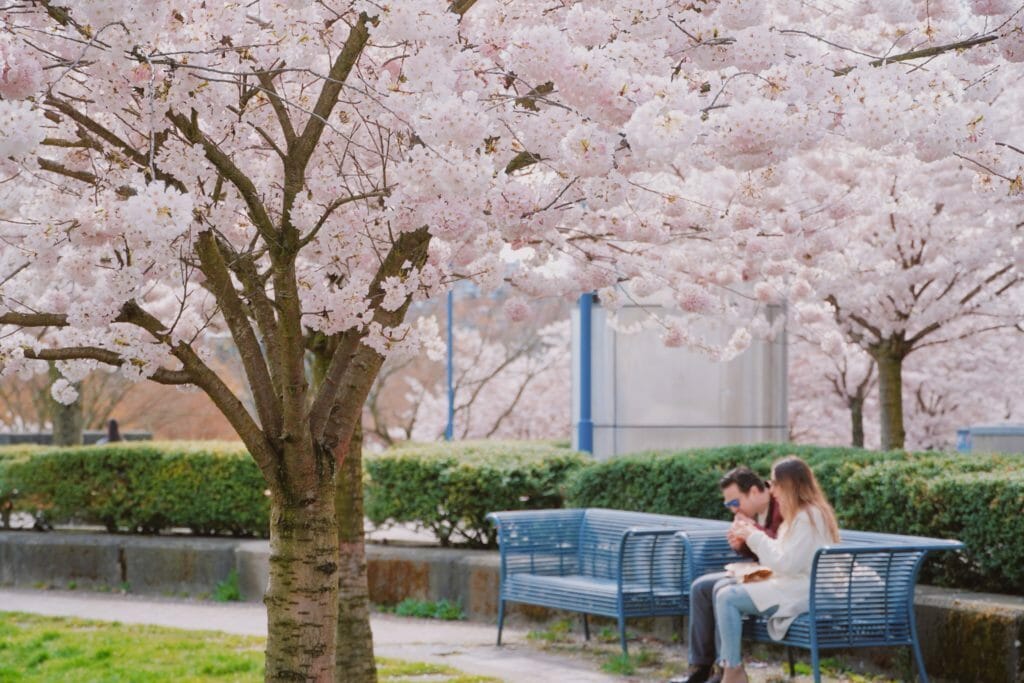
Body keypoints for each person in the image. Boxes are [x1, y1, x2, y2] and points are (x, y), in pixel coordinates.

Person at [714, 456, 841, 683]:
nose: (772, 491)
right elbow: (782, 558)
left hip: (804, 591)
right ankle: (728, 667)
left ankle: (732, 671)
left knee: (727, 598)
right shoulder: (800, 515)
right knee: (722, 589)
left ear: (789, 485)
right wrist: (751, 538)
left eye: (775, 484)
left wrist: (753, 535)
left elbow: (786, 564)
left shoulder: (808, 518)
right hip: (794, 584)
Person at [672, 467, 784, 683]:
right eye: (728, 505)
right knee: (700, 587)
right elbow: (758, 551)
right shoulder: (753, 511)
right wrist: (741, 545)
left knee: (720, 590)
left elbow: (782, 548)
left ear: (753, 492)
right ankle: (700, 668)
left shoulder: (782, 504)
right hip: (760, 573)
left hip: (779, 579)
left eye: (735, 503)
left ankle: (725, 670)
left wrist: (752, 533)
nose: (733, 510)